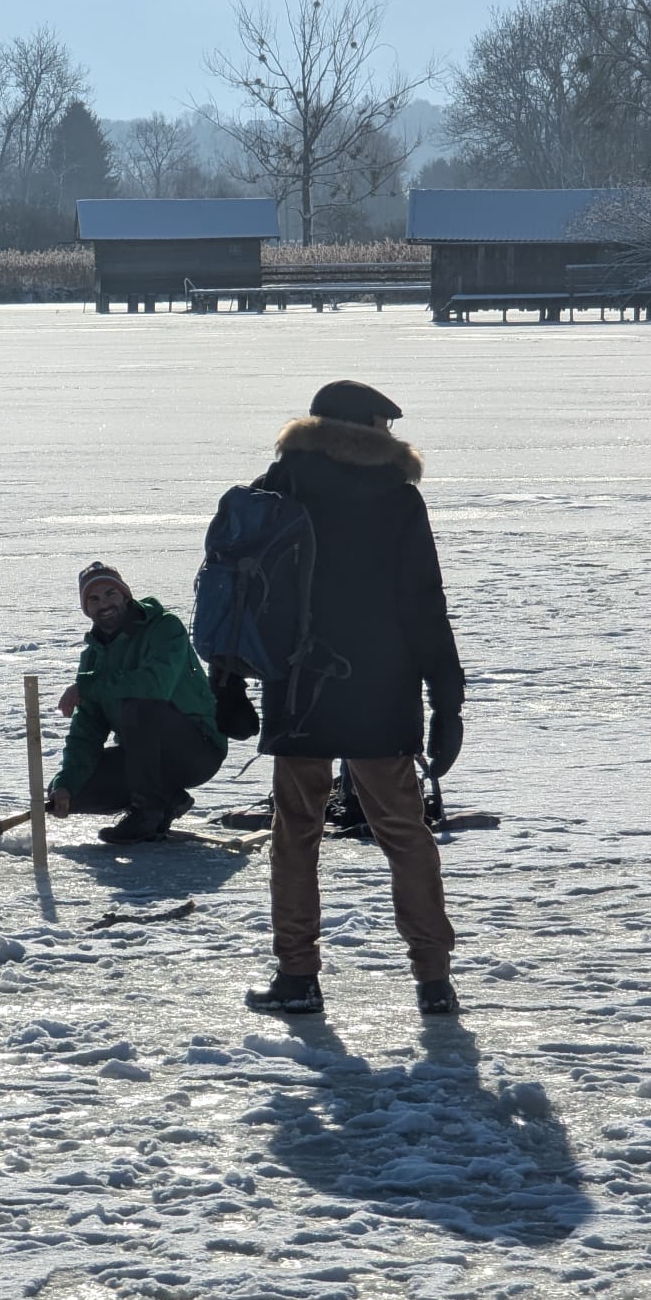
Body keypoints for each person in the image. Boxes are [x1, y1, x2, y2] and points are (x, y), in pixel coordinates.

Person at [238, 380, 467, 1017]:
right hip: (379, 688)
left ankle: (297, 978)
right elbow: (423, 603)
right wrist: (447, 701)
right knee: (405, 832)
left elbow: (242, 592)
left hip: (298, 685)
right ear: (365, 429)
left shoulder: (277, 486)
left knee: (296, 833)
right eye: (383, 427)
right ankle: (433, 980)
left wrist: (226, 678)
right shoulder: (397, 499)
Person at [46, 562, 227, 845]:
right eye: (94, 599)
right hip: (145, 758)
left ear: (126, 595)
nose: (104, 604)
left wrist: (88, 685)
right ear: (86, 608)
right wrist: (65, 784)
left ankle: (148, 811)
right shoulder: (92, 659)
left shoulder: (165, 627)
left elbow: (156, 685)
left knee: (138, 705)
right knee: (74, 790)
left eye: (110, 594)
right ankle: (167, 798)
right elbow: (86, 732)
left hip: (198, 750)